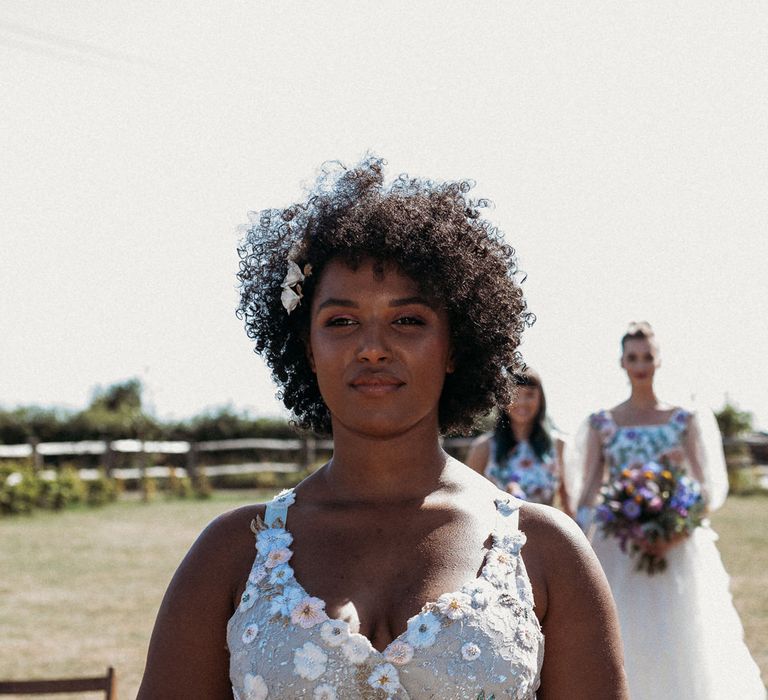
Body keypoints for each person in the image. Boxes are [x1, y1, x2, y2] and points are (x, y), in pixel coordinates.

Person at [138, 156, 628, 699]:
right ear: (308, 349)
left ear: (454, 347)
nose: (372, 348)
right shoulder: (230, 554)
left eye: (408, 320)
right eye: (341, 321)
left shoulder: (547, 551)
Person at [572, 321, 765, 700]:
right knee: (624, 634)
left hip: (677, 544)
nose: (640, 364)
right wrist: (586, 532)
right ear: (622, 362)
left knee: (683, 638)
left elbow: (706, 489)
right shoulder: (603, 423)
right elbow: (590, 490)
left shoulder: (684, 419)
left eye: (648, 356)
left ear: (659, 361)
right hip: (620, 548)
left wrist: (675, 528)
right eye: (633, 357)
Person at [467, 369, 573, 515]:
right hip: (496, 534)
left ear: (540, 399)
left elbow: (566, 499)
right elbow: (471, 501)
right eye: (514, 395)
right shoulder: (483, 447)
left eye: (529, 395)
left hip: (544, 533)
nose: (521, 402)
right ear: (504, 399)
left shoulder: (558, 445)